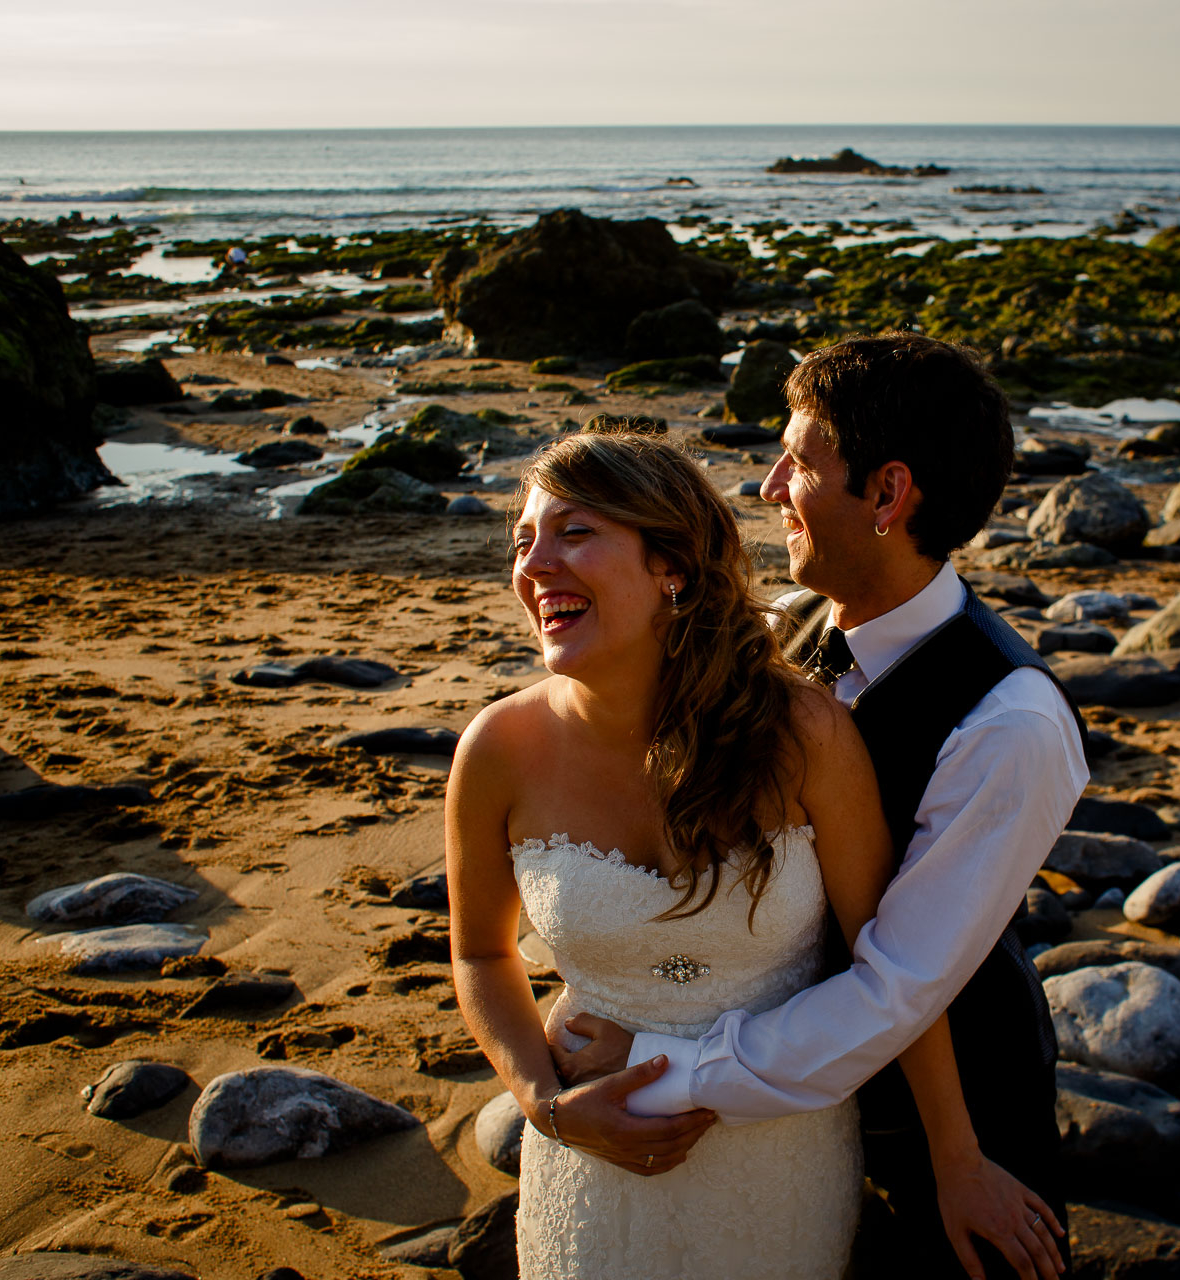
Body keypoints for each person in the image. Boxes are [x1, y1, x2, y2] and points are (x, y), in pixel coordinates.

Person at [444, 425, 1062, 1280]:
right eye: (524, 541)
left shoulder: (802, 733)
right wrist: (546, 1107)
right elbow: (479, 952)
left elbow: (895, 969)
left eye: (575, 532)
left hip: (781, 1155)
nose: (535, 563)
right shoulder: (497, 749)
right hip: (590, 1164)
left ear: (674, 567)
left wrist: (955, 1158)